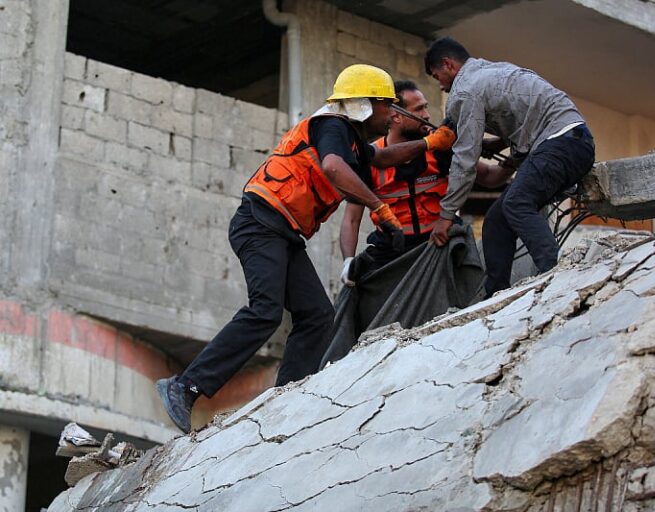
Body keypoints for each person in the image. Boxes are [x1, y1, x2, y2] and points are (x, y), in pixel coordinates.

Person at [156, 64, 456, 433]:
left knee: (316, 315)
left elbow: (379, 159)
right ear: (364, 104)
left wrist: (428, 144)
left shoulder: (351, 140)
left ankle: (284, 398)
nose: (393, 115)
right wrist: (379, 206)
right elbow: (332, 167)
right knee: (265, 311)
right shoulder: (332, 126)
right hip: (260, 223)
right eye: (387, 106)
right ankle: (184, 386)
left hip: (282, 231)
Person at [424, 37, 596, 297]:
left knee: (516, 202)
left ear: (448, 65)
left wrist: (446, 216)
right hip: (572, 142)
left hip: (560, 141)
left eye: (438, 77)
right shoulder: (492, 71)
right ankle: (496, 295)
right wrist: (500, 143)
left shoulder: (465, 90)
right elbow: (523, 117)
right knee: (496, 221)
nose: (441, 86)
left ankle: (557, 273)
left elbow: (465, 161)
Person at [339, 80, 512, 285]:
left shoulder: (441, 148)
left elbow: (491, 177)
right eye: (419, 109)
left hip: (440, 243)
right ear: (396, 116)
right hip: (392, 253)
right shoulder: (369, 158)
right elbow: (351, 219)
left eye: (426, 107)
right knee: (353, 301)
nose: (427, 116)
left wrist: (517, 155)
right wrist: (348, 262)